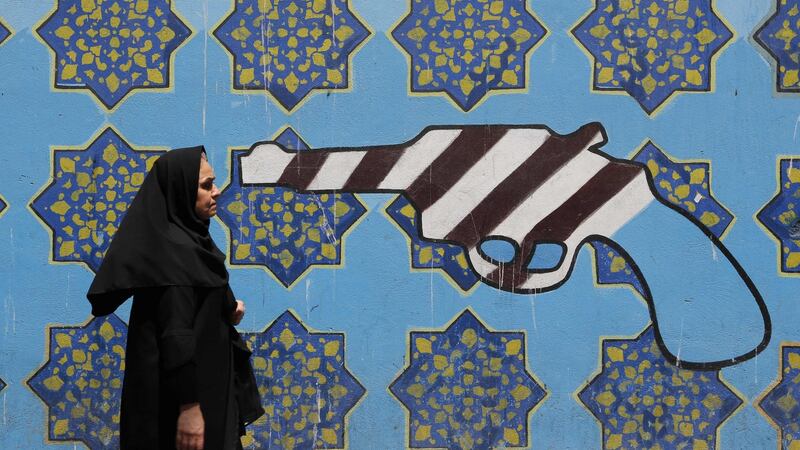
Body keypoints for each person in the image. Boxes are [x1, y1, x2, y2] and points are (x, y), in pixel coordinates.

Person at [87, 147, 263, 449]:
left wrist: (226, 310)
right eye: (206, 185)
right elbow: (176, 337)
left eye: (213, 182)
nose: (217, 192)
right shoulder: (175, 255)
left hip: (205, 390)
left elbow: (198, 300)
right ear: (181, 191)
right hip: (183, 406)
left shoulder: (190, 243)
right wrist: (190, 411)